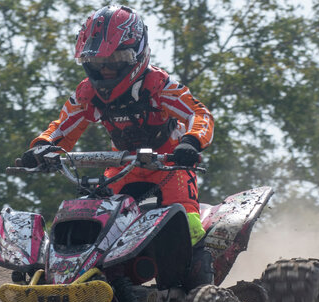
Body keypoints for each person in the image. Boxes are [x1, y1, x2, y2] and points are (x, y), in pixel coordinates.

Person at [16, 4, 214, 287]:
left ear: (137, 54)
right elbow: (62, 126)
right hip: (123, 168)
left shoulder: (159, 84)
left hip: (170, 166)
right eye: (97, 61)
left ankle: (196, 295)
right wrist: (42, 146)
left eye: (116, 59)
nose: (106, 70)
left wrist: (191, 141)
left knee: (188, 226)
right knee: (96, 226)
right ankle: (94, 287)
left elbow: (199, 114)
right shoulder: (88, 92)